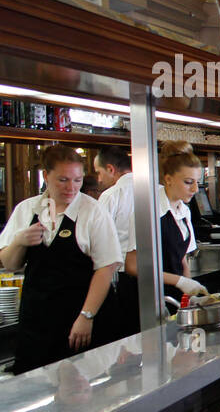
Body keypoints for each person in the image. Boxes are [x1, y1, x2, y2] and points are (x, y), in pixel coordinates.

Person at [0, 145, 123, 373]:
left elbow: (106, 267)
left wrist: (86, 316)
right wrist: (19, 241)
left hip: (81, 316)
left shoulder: (92, 211)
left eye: (77, 180)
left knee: (83, 388)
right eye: (63, 180)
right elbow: (9, 263)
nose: (71, 188)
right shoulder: (26, 210)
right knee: (33, 387)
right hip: (37, 320)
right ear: (46, 176)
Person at [123, 141, 207, 308]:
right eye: (189, 182)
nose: (196, 189)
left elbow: (182, 259)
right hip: (147, 299)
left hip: (174, 297)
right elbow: (132, 266)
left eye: (198, 182)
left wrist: (189, 294)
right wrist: (178, 281)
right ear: (168, 179)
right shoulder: (148, 210)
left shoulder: (184, 211)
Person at [94, 146, 137, 335]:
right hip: (160, 273)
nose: (98, 179)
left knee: (128, 337)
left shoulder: (111, 195)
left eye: (99, 172)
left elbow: (98, 239)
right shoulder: (157, 188)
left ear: (111, 169)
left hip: (124, 280)